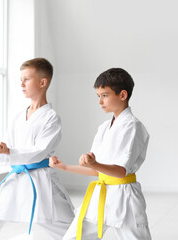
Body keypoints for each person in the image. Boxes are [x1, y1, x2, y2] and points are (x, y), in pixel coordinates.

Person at [0, 58, 74, 240]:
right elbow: (5, 153)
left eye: (26, 79)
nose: (21, 83)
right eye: (20, 79)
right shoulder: (19, 117)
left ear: (43, 82)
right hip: (17, 178)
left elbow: (40, 151)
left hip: (41, 181)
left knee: (73, 232)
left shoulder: (51, 118)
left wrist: (9, 152)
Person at [50, 68, 151, 240]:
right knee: (74, 237)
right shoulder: (104, 128)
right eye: (98, 96)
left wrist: (94, 164)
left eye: (104, 95)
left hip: (125, 197)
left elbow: (120, 171)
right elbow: (97, 172)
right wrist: (64, 167)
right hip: (100, 193)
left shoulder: (132, 126)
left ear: (123, 95)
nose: (100, 101)